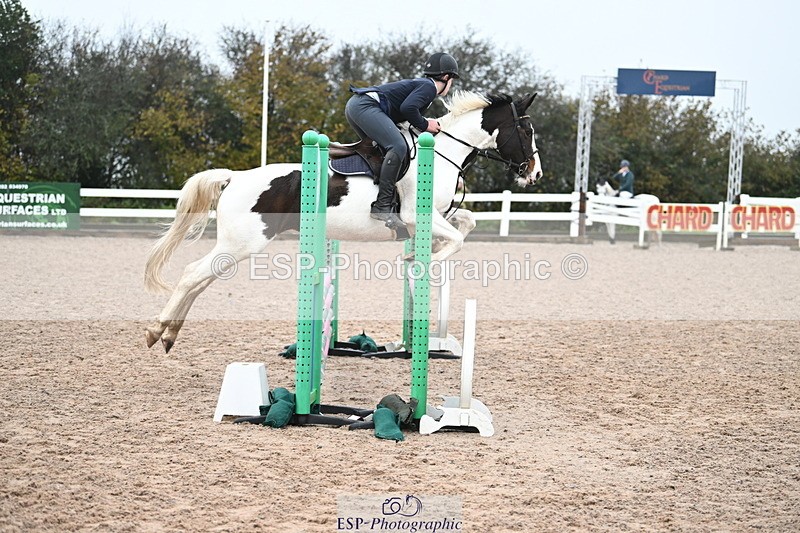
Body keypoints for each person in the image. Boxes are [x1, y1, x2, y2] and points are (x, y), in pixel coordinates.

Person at [345, 52, 459, 228]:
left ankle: (379, 198)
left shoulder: (422, 85)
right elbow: (408, 108)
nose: (450, 86)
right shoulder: (429, 88)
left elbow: (406, 113)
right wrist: (425, 124)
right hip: (365, 106)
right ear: (446, 77)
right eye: (452, 81)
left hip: (357, 106)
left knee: (386, 151)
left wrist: (421, 124)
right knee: (398, 147)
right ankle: (382, 206)